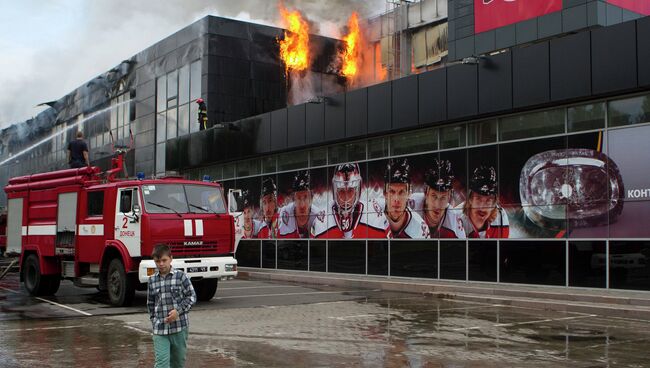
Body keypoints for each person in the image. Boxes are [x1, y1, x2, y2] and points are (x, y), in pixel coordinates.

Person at [147, 244, 197, 368]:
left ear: (171, 258)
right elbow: (150, 303)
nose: (161, 264)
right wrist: (154, 321)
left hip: (179, 328)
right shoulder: (152, 280)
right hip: (160, 329)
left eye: (164, 260)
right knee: (162, 364)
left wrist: (178, 312)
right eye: (157, 261)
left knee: (177, 363)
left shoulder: (181, 277)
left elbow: (192, 297)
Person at [312, 163, 389, 239]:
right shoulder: (321, 221)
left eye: (350, 191)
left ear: (358, 190)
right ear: (334, 191)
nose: (346, 198)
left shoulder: (375, 216)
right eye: (341, 191)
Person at [410, 159, 466, 238]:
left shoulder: (454, 222)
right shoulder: (411, 205)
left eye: (443, 197)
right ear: (426, 193)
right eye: (434, 196)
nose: (437, 204)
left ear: (449, 197)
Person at [384, 158, 430, 239]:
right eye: (392, 191)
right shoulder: (372, 213)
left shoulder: (420, 229)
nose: (396, 199)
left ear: (409, 193)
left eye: (401, 192)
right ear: (385, 193)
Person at [461, 165, 509, 238]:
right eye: (478, 199)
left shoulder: (501, 217)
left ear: (494, 204)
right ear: (470, 199)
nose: (482, 207)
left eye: (488, 200)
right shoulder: (455, 219)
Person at [277, 170, 319, 238]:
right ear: (293, 199)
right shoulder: (284, 214)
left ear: (311, 199)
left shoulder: (317, 216)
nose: (302, 205)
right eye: (298, 198)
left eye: (305, 197)